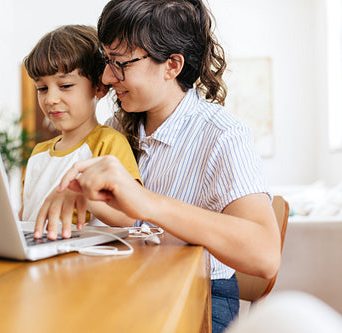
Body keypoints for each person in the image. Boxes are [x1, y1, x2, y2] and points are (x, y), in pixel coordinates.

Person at [36, 1, 281, 332]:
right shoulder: (115, 128)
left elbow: (265, 255)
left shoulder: (222, 135)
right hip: (130, 285)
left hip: (202, 293)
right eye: (107, 61)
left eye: (121, 63)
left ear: (172, 65)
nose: (108, 77)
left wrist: (149, 204)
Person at [20, 25, 142, 240]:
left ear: (99, 87)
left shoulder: (108, 143)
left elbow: (128, 215)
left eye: (65, 85)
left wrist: (87, 197)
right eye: (42, 88)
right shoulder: (38, 153)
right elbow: (26, 216)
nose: (50, 99)